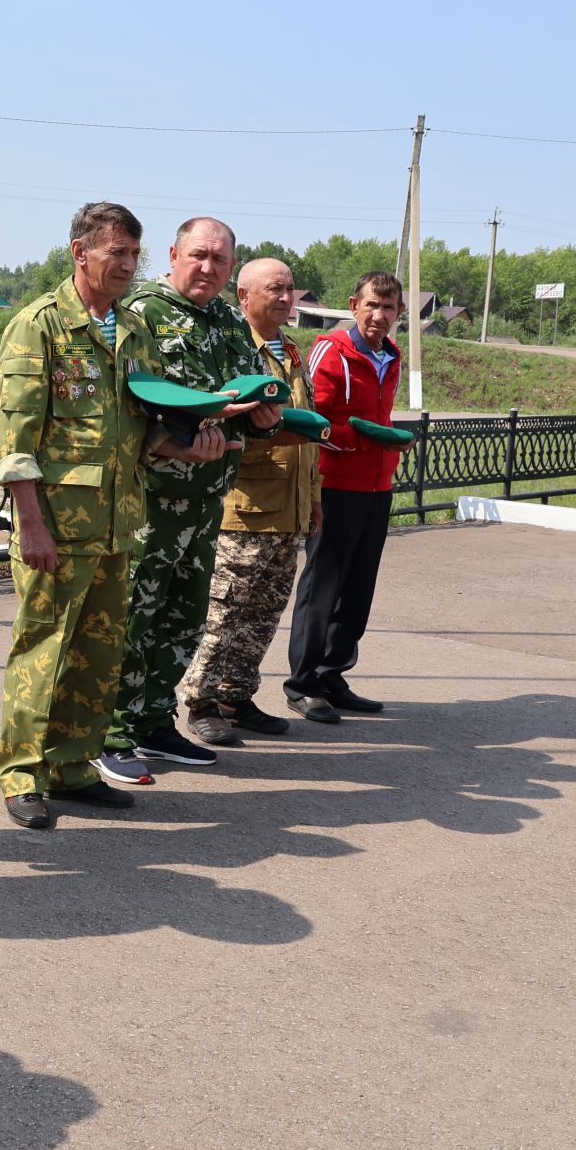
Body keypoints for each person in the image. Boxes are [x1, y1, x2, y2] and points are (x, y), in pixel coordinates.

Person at [0, 202, 231, 829]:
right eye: (114, 253)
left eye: (133, 255)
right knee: (43, 650)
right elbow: (14, 443)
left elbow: (145, 428)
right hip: (57, 527)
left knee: (99, 656)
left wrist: (193, 442)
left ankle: (73, 767)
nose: (126, 265)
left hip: (122, 525)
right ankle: (22, 774)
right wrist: (31, 523)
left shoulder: (133, 331)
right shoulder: (38, 326)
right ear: (80, 252)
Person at [99, 217, 282, 780]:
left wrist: (266, 416)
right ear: (175, 253)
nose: (208, 268)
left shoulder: (227, 318)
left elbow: (250, 389)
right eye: (199, 255)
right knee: (133, 616)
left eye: (220, 260)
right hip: (151, 498)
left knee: (183, 619)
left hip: (206, 500)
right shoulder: (139, 313)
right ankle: (111, 733)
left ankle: (155, 722)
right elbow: (128, 401)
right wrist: (179, 436)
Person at [181, 258, 323, 744]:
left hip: (290, 506)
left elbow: (307, 424)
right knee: (225, 610)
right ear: (244, 297)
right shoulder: (235, 350)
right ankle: (199, 701)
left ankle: (235, 696)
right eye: (274, 289)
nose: (285, 298)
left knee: (263, 612)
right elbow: (219, 422)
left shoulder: (291, 350)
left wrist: (314, 497)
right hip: (246, 507)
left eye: (290, 289)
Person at [284, 271, 409, 722]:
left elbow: (378, 416)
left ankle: (332, 673)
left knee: (357, 589)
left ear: (399, 314)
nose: (379, 315)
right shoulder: (332, 349)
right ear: (354, 305)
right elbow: (308, 417)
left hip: (377, 485)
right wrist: (361, 437)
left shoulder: (391, 355)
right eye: (372, 305)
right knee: (322, 588)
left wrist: (387, 441)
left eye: (389, 307)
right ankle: (302, 683)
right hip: (334, 483)